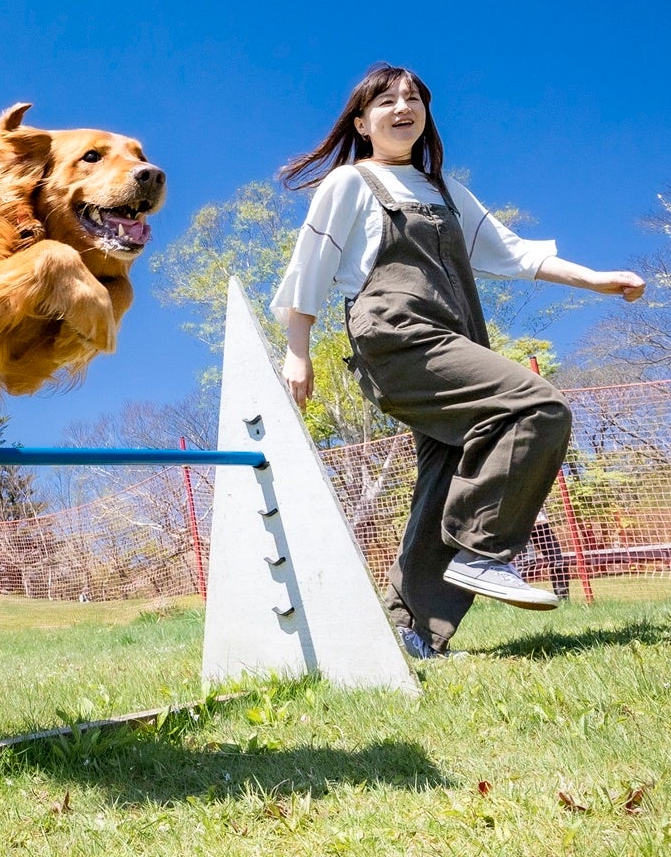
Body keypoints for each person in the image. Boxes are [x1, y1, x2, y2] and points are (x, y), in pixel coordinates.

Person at [274, 63, 644, 659]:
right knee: (540, 406)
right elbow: (309, 270)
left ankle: (410, 632)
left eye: (415, 98)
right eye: (387, 100)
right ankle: (482, 551)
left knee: (447, 477)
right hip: (397, 340)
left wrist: (596, 280)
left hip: (455, 343)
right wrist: (298, 354)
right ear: (363, 123)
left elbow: (517, 255)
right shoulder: (350, 183)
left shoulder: (444, 192)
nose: (404, 107)